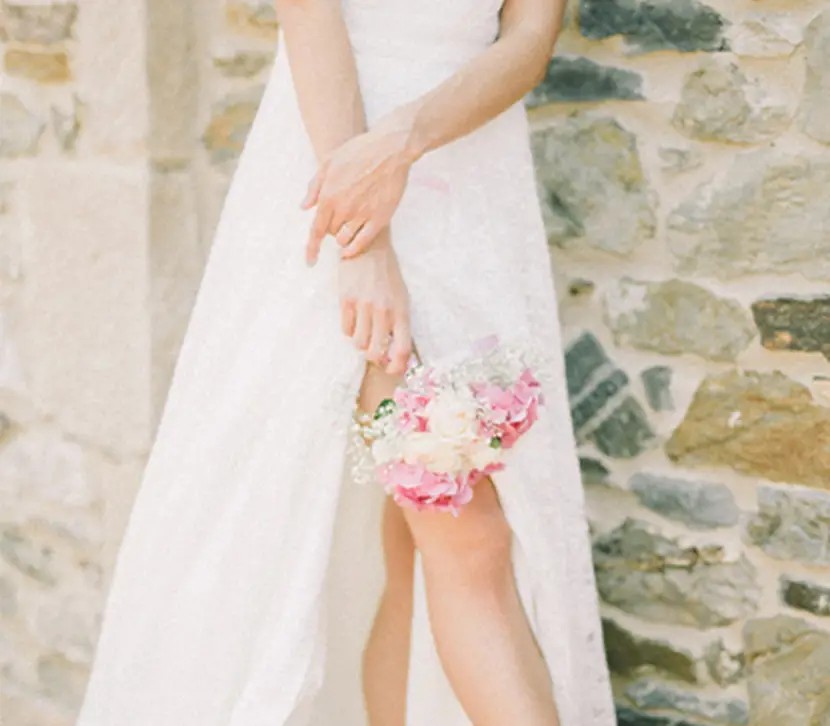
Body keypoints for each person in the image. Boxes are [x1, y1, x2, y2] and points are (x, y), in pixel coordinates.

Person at [76, 0, 616, 724]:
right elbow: (312, 22)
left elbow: (528, 40)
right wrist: (362, 247)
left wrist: (403, 140)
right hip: (337, 177)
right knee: (468, 532)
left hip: (468, 198)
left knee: (412, 549)